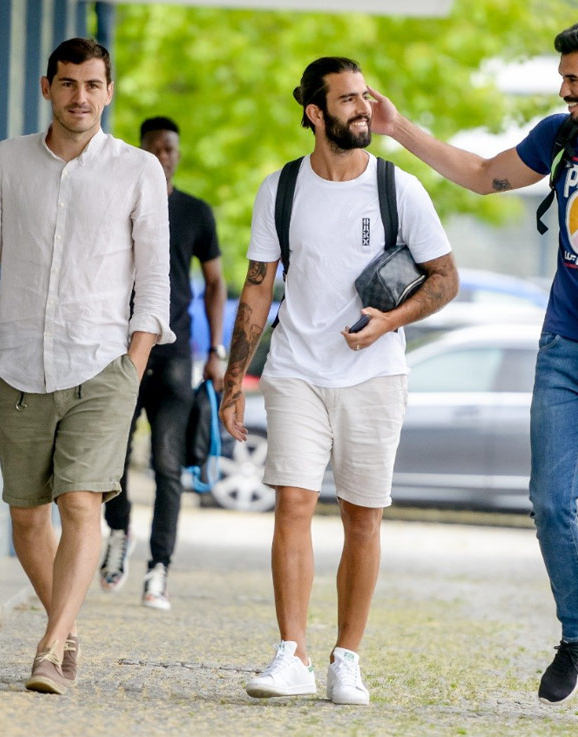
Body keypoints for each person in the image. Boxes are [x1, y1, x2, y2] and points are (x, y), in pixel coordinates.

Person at [368, 19, 578, 726]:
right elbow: (481, 176)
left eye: (572, 78)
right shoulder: (560, 135)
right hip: (563, 347)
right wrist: (398, 128)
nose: (562, 90)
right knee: (547, 502)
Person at [0, 38, 172, 695]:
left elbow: (153, 278)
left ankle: (48, 645)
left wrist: (135, 358)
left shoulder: (137, 170)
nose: (80, 98)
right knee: (29, 514)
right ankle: (66, 627)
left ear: (109, 91)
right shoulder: (7, 161)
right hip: (16, 361)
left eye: (93, 85)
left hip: (103, 362)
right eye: (68, 84)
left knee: (80, 499)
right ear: (46, 88)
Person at [220, 56, 457, 705]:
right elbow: (258, 286)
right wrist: (233, 378)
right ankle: (290, 652)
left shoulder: (397, 188)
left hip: (374, 374)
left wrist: (390, 322)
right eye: (348, 99)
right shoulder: (282, 188)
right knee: (292, 501)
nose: (362, 108)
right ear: (314, 112)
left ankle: (344, 657)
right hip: (296, 367)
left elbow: (444, 278)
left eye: (364, 97)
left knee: (362, 515)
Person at [99, 116, 226, 610]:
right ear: (142, 151)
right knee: (110, 457)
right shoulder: (119, 203)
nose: (162, 154)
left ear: (177, 153)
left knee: (167, 464)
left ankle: (159, 568)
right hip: (119, 350)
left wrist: (216, 352)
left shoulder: (196, 212)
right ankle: (118, 533)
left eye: (170, 147)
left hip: (174, 353)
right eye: (153, 146)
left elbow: (216, 283)